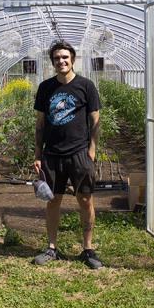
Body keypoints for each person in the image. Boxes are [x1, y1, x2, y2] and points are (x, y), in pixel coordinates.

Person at [32, 40, 103, 269]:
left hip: (79, 154)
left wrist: (91, 151)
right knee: (53, 201)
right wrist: (38, 154)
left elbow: (96, 121)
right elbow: (40, 124)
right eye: (56, 58)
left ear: (72, 59)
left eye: (65, 57)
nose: (61, 61)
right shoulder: (45, 88)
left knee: (85, 199)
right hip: (52, 154)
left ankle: (88, 249)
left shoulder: (86, 86)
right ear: (52, 62)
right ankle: (52, 248)